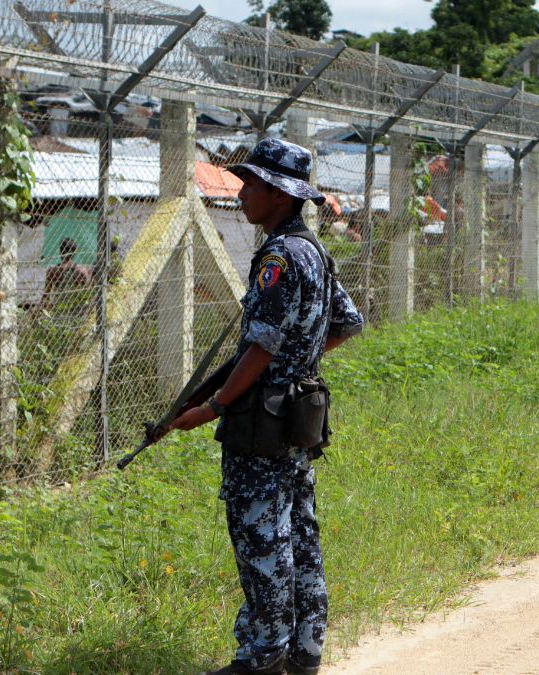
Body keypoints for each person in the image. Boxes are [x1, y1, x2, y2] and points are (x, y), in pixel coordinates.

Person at [166, 138, 363, 675]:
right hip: (298, 413)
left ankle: (262, 657)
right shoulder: (313, 251)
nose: (242, 192)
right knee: (298, 534)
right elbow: (347, 322)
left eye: (251, 183)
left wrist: (212, 408)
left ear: (278, 195)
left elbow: (259, 347)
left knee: (262, 540)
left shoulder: (278, 255)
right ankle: (303, 652)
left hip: (261, 420)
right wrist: (298, 363)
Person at [42, 237, 94, 309]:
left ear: (60, 252)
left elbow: (46, 295)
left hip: (59, 308)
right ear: (75, 252)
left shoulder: (53, 271)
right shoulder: (82, 271)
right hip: (77, 308)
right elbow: (88, 292)